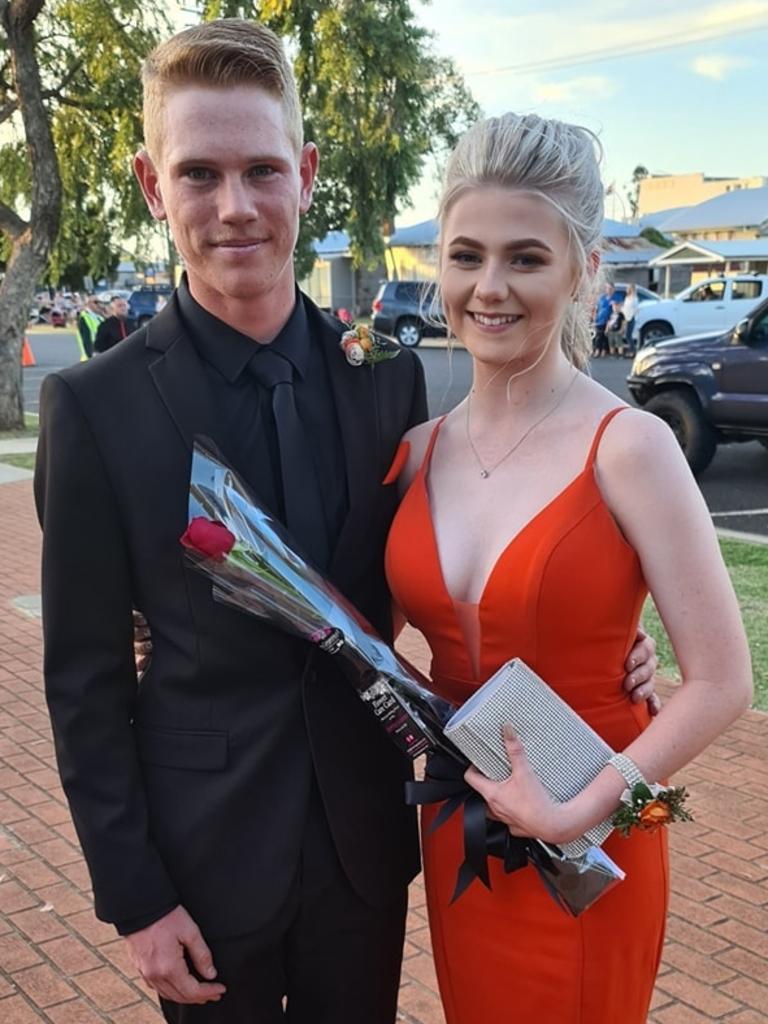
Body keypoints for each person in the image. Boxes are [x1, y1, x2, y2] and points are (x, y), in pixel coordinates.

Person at [36, 20, 657, 1024]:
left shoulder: (387, 382)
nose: (234, 206)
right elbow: (85, 682)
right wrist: (136, 897)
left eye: (261, 170)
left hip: (366, 849)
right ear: (153, 186)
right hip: (202, 862)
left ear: (307, 173)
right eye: (199, 174)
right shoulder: (95, 410)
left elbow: (461, 554)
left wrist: (611, 638)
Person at [384, 112, 752, 1024]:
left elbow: (722, 682)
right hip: (460, 825)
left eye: (527, 258)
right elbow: (360, 636)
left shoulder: (629, 447)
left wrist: (579, 808)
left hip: (592, 836)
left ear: (585, 268)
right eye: (466, 256)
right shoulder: (413, 453)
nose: (490, 287)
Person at [76, 295, 105, 360]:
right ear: (88, 304)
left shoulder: (99, 317)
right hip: (91, 357)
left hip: (100, 355)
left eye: (100, 302)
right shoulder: (84, 317)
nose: (98, 304)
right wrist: (91, 357)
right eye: (95, 302)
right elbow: (86, 339)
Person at [591, 279, 613, 356]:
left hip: (608, 321)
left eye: (610, 288)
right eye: (607, 288)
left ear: (613, 289)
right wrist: (594, 318)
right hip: (599, 320)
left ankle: (603, 350)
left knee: (604, 336)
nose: (608, 290)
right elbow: (597, 309)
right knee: (598, 336)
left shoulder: (614, 298)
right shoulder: (602, 298)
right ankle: (597, 350)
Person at [622, 282, 639, 355]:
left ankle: (633, 350)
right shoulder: (627, 298)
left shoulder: (634, 298)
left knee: (628, 335)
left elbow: (635, 309)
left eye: (628, 288)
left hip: (631, 318)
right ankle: (631, 349)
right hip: (626, 317)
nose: (626, 289)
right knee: (627, 335)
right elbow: (625, 308)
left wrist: (631, 317)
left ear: (631, 289)